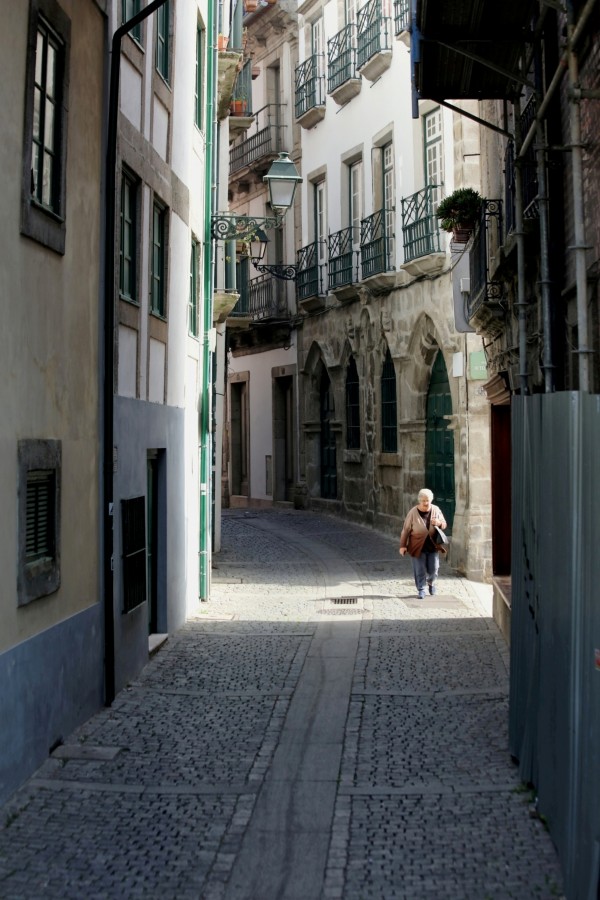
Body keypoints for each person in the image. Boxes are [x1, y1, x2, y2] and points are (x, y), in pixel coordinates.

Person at [399, 488, 447, 599]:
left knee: (434, 569)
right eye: (423, 500)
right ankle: (421, 589)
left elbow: (444, 524)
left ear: (431, 500)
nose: (425, 503)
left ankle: (431, 583)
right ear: (419, 501)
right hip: (417, 546)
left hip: (432, 546)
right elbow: (405, 530)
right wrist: (402, 546)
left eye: (428, 500)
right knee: (419, 569)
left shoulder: (436, 509)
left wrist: (439, 523)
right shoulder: (412, 512)